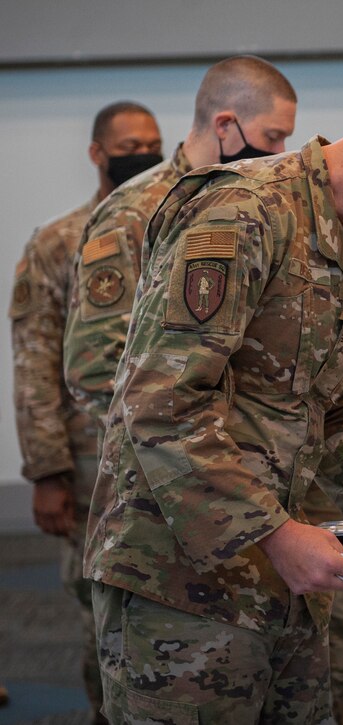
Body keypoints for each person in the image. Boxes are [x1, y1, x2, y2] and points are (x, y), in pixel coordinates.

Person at [83, 78, 343, 722]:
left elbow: (338, 418)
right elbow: (161, 404)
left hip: (287, 579)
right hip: (180, 584)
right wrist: (276, 535)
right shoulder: (240, 213)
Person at [9, 100, 161, 722]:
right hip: (89, 463)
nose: (142, 153)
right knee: (98, 605)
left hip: (171, 460)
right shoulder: (58, 242)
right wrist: (47, 470)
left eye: (152, 141)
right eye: (128, 144)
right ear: (97, 153)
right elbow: (34, 359)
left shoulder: (180, 222)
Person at [64, 55, 298, 433]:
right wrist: (190, 438)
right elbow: (96, 370)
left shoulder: (252, 204)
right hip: (160, 459)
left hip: (241, 448)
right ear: (225, 125)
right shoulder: (133, 212)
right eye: (272, 136)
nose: (280, 150)